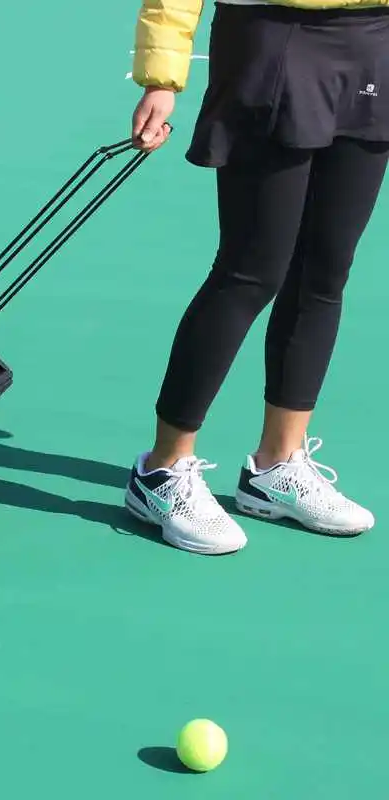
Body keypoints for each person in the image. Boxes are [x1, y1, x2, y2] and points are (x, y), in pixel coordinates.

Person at [124, 0, 389, 555]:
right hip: (274, 39)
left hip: (375, 44)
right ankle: (161, 472)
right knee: (250, 272)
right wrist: (162, 76)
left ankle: (277, 467)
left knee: (324, 271)